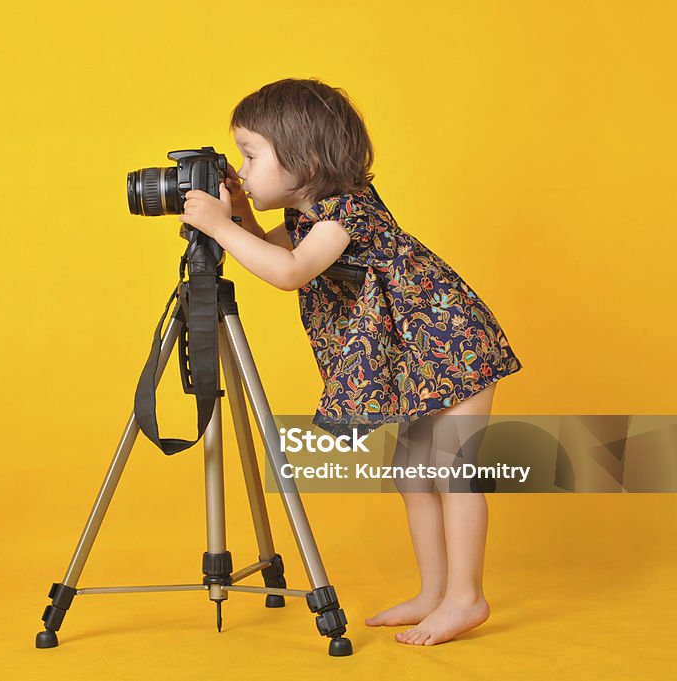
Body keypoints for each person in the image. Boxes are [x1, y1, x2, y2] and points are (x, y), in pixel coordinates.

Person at [178, 78, 523, 646]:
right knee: (413, 473)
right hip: (419, 351)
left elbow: (289, 273)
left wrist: (218, 225)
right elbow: (271, 250)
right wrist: (235, 213)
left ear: (306, 159)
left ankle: (467, 596)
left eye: (250, 155)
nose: (240, 169)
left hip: (451, 342)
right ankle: (434, 592)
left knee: (449, 469)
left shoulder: (345, 212)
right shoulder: (308, 214)